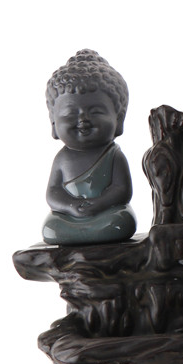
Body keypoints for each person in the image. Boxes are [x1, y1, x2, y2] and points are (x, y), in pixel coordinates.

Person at [42, 49, 137, 244]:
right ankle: (79, 233)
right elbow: (53, 192)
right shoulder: (62, 159)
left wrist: (99, 204)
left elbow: (122, 189)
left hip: (106, 213)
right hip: (69, 216)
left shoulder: (113, 155)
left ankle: (89, 233)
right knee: (51, 227)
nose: (83, 120)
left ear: (118, 119)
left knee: (122, 221)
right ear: (53, 123)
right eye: (71, 113)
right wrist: (70, 206)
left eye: (95, 112)